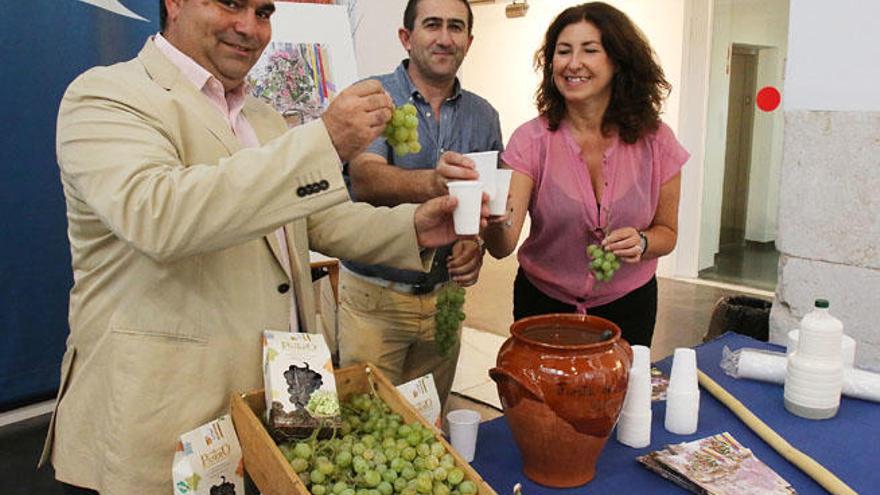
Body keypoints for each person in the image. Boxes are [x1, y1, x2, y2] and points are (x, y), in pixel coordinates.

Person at [41, 1, 484, 493]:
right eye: (231, 4)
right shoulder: (108, 95)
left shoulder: (263, 117)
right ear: (175, 4)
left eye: (263, 11)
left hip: (277, 411)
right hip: (164, 426)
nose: (249, 27)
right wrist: (326, 141)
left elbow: (316, 221)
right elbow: (159, 216)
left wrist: (416, 228)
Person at [483, 2, 689, 347]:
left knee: (620, 399)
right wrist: (492, 219)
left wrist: (642, 242)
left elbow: (667, 233)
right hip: (543, 304)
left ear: (618, 60)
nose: (573, 63)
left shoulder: (658, 141)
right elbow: (503, 246)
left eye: (589, 50)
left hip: (629, 306)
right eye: (563, 51)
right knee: (543, 401)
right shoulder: (531, 141)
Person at [337, 0, 503, 406]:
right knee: (368, 430)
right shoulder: (374, 98)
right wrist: (433, 182)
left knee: (427, 428)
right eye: (432, 25)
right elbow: (365, 177)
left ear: (469, 40)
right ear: (406, 37)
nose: (445, 38)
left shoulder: (484, 116)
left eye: (456, 27)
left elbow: (487, 197)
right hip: (376, 299)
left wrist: (473, 241)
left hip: (445, 298)